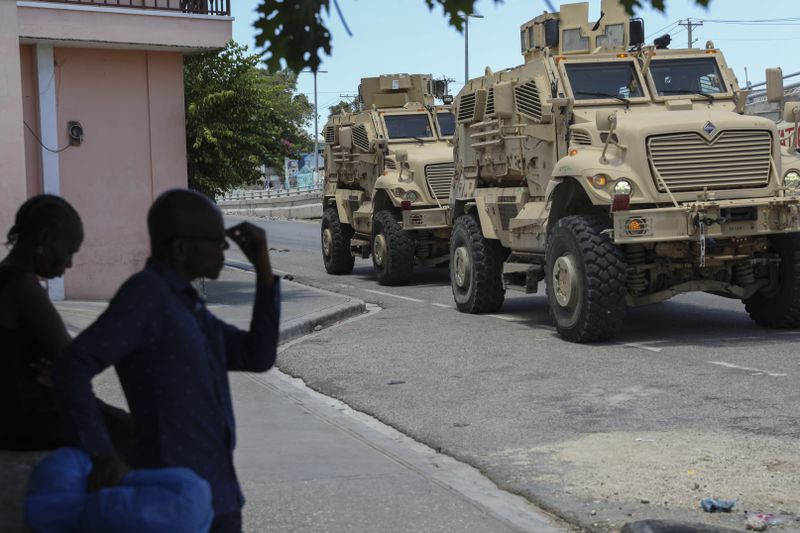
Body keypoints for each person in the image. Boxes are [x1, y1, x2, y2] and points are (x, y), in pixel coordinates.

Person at [53, 189, 280, 533]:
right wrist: (102, 456)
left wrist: (263, 271)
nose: (223, 250)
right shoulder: (147, 295)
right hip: (171, 502)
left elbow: (256, 355)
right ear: (180, 248)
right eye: (216, 242)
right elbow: (72, 365)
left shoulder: (187, 304)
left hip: (217, 495)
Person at [0, 194, 133, 452]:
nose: (70, 263)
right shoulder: (22, 285)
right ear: (45, 239)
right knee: (136, 431)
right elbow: (73, 361)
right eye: (69, 251)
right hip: (30, 419)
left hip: (16, 414)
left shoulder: (7, 277)